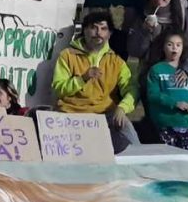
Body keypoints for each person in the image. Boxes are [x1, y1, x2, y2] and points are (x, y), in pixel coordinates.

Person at [51, 12, 139, 151]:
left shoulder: (116, 61)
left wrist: (122, 108)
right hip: (71, 113)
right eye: (93, 28)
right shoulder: (67, 55)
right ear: (84, 30)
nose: (98, 33)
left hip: (106, 114)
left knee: (135, 146)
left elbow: (132, 89)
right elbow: (58, 88)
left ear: (110, 33)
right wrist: (82, 79)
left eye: (103, 29)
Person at [145, 30, 188, 150]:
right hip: (165, 122)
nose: (174, 48)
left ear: (183, 48)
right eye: (170, 44)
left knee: (184, 159)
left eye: (178, 45)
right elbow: (153, 94)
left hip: (187, 122)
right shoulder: (157, 70)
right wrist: (174, 103)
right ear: (163, 47)